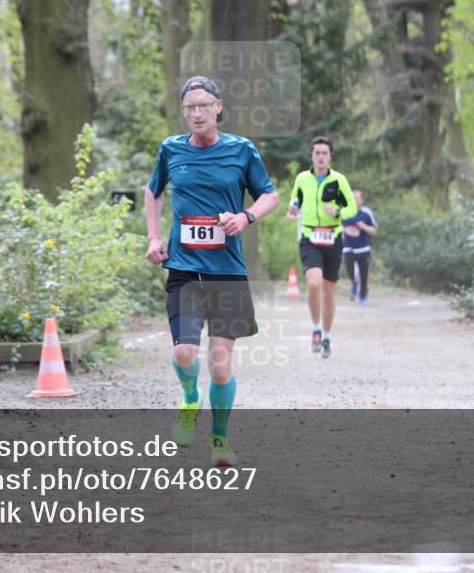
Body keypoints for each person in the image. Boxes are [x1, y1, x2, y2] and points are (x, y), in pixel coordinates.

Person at [144, 75, 280, 466]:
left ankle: (219, 439)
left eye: (204, 105)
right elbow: (152, 192)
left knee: (220, 363)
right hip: (184, 267)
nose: (197, 112)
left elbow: (269, 195)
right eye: (190, 107)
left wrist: (245, 216)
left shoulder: (242, 150)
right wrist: (154, 238)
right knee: (185, 353)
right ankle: (190, 398)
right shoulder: (171, 150)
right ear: (183, 112)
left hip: (227, 271)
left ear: (218, 107)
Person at [286, 136, 357, 358]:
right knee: (314, 284)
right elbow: (295, 201)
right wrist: (291, 211)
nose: (320, 156)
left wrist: (337, 213)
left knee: (328, 291)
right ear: (312, 155)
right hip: (309, 237)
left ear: (330, 156)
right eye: (317, 153)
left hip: (333, 238)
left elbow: (352, 208)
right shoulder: (302, 179)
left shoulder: (339, 180)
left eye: (324, 153)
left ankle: (326, 336)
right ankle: (316, 328)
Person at [342, 189, 377, 305]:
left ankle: (362, 295)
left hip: (363, 248)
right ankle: (354, 283)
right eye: (352, 198)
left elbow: (374, 231)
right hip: (348, 247)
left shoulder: (366, 213)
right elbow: (338, 227)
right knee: (350, 271)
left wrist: (364, 227)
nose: (354, 200)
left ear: (361, 200)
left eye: (356, 198)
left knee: (363, 273)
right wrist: (341, 230)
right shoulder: (344, 212)